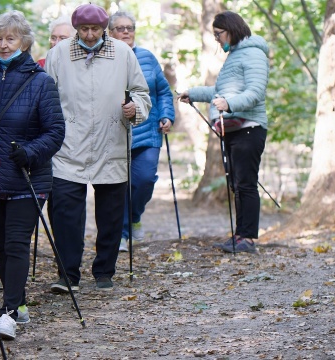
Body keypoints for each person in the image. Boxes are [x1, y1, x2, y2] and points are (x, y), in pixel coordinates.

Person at [0, 10, 65, 340]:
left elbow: (55, 131)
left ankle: (8, 313)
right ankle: (18, 302)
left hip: (27, 178)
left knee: (17, 242)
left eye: (10, 38)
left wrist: (30, 152)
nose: (4, 44)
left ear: (24, 42)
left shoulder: (41, 82)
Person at [44, 3, 151, 292]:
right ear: (76, 28)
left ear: (104, 28)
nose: (90, 35)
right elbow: (47, 96)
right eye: (84, 29)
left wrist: (135, 109)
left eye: (95, 29)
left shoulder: (123, 53)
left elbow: (141, 93)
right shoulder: (58, 54)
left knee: (111, 213)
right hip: (68, 145)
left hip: (111, 140)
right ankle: (67, 275)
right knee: (65, 213)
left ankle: (104, 271)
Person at [178, 10, 269, 253]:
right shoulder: (236, 55)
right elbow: (220, 91)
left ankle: (247, 239)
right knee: (237, 184)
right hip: (234, 129)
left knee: (246, 184)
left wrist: (230, 104)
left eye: (219, 34)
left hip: (249, 128)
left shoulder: (253, 54)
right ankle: (240, 235)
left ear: (232, 29)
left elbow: (255, 92)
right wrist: (194, 94)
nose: (217, 39)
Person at [108, 11, 175, 252]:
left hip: (148, 133)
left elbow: (164, 92)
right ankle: (123, 234)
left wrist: (167, 115)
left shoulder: (147, 57)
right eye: (120, 28)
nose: (126, 32)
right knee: (118, 187)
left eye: (130, 28)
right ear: (110, 32)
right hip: (115, 133)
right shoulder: (106, 58)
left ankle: (134, 216)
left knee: (144, 181)